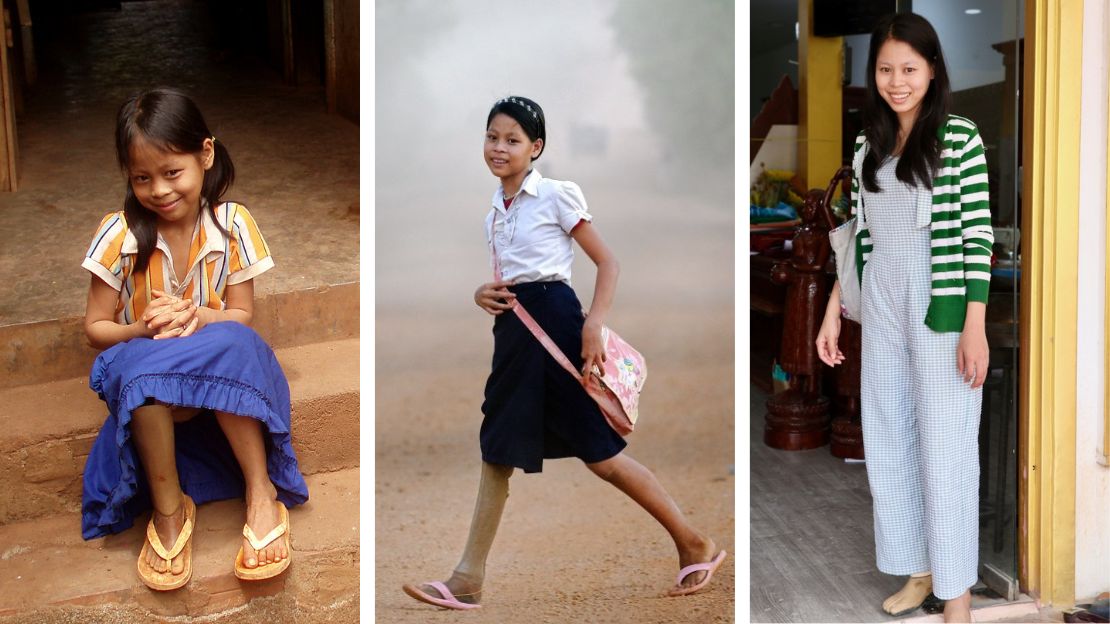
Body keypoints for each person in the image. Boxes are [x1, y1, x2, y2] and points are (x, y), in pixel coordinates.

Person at [401, 96, 725, 610]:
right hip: (513, 336)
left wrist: (594, 324)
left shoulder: (555, 195)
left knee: (602, 454)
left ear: (537, 147)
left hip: (556, 327)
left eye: (512, 140)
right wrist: (481, 294)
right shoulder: (494, 211)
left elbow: (608, 262)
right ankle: (467, 577)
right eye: (492, 137)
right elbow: (513, 278)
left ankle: (693, 542)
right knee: (498, 445)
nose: (499, 148)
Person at [81, 87, 308, 591]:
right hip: (149, 365)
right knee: (138, 368)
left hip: (217, 364)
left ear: (205, 154)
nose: (159, 190)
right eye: (142, 178)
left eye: (171, 173)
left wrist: (200, 316)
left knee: (231, 342)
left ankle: (260, 493)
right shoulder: (117, 233)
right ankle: (168, 509)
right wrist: (143, 328)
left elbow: (242, 315)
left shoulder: (233, 225)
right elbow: (96, 328)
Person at [815, 13, 993, 624]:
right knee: (891, 441)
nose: (897, 82)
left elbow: (977, 239)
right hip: (883, 298)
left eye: (909, 70)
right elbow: (861, 237)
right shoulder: (867, 143)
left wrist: (975, 325)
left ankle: (958, 597)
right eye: (886, 70)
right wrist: (835, 312)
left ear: (933, 70)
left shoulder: (960, 138)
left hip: (941, 303)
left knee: (946, 446)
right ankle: (920, 569)